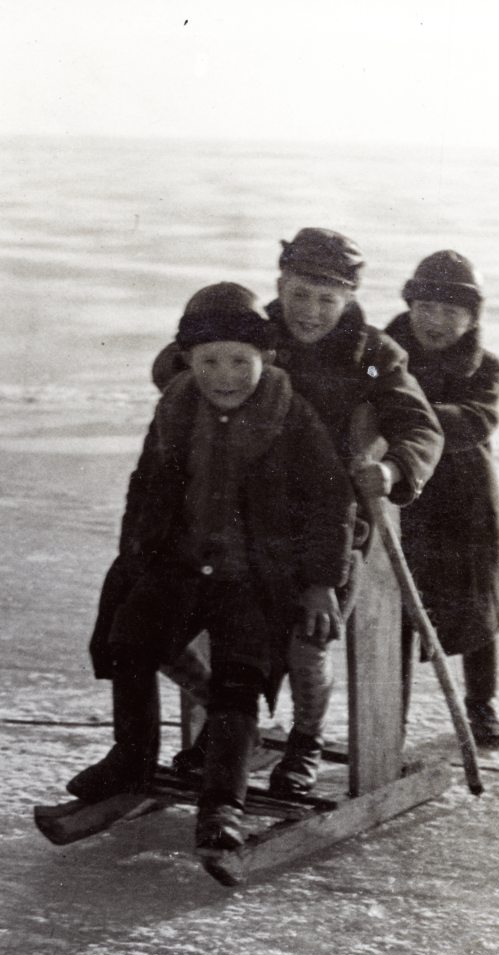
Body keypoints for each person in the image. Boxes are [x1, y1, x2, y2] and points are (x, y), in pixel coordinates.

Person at [153, 229, 444, 795]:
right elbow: (174, 366)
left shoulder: (372, 356)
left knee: (308, 644)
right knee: (172, 626)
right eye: (299, 295)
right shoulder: (254, 330)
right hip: (238, 517)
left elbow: (419, 426)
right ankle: (233, 719)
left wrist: (392, 470)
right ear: (280, 285)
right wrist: (204, 349)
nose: (310, 312)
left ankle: (305, 740)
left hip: (328, 526)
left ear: (349, 297)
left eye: (327, 299)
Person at [71, 282, 356, 860]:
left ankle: (223, 803)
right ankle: (131, 758)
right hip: (182, 566)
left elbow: (332, 503)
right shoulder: (175, 408)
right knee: (130, 642)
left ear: (265, 356)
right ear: (187, 360)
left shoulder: (292, 415)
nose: (224, 376)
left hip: (258, 576)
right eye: (209, 362)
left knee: (238, 679)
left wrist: (321, 582)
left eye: (239, 362)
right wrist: (134, 560)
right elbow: (145, 488)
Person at [386, 251, 499, 748]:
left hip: (465, 501)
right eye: (425, 308)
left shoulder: (487, 368)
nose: (435, 321)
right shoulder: (379, 356)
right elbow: (356, 391)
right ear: (410, 307)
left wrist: (407, 413)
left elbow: (477, 420)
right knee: (398, 609)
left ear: (472, 318)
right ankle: (390, 713)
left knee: (477, 610)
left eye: (450, 311)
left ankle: (481, 703)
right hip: (402, 495)